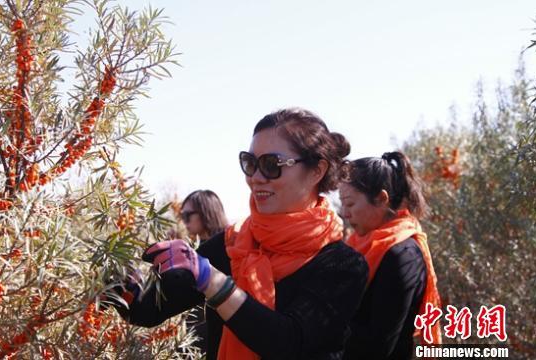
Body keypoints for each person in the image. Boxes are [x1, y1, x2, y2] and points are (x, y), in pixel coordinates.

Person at [109, 108, 369, 360]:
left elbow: (289, 343)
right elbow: (147, 310)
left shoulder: (343, 266)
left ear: (316, 171)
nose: (255, 177)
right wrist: (112, 277)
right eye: (250, 163)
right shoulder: (230, 244)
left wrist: (215, 283)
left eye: (271, 164)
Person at [338, 151, 442, 360]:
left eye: (350, 203)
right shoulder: (358, 246)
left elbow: (378, 345)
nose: (344, 212)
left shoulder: (402, 256)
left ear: (381, 199)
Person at [179, 190, 229, 353]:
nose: (183, 221)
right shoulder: (196, 251)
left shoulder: (226, 251)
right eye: (181, 216)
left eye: (187, 215)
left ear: (206, 212)